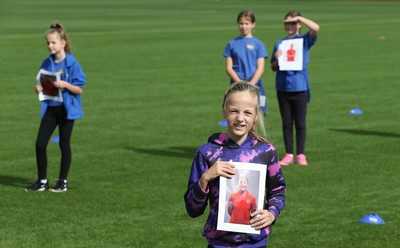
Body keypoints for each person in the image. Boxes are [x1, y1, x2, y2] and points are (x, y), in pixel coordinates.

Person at [184, 82, 286, 247]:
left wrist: (272, 213)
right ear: (224, 111)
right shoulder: (207, 153)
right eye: (234, 111)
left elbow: (278, 190)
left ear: (256, 116)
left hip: (256, 243)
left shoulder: (266, 151)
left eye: (247, 112)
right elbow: (192, 209)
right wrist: (204, 179)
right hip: (219, 244)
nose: (240, 118)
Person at [25, 22, 86, 192]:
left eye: (53, 42)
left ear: (63, 43)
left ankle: (62, 182)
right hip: (51, 109)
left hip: (67, 110)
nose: (50, 46)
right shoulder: (47, 62)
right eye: (48, 43)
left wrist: (66, 84)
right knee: (40, 144)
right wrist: (38, 88)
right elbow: (42, 83)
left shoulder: (73, 64)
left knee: (64, 145)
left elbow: (79, 89)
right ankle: (42, 181)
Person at [270, 11, 320, 166]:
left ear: (298, 24)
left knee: (300, 122)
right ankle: (289, 153)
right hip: (283, 87)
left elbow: (316, 28)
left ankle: (301, 154)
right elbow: (272, 67)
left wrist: (299, 18)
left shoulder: (304, 40)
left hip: (300, 87)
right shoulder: (280, 43)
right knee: (286, 122)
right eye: (287, 23)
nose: (290, 26)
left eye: (293, 23)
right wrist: (277, 59)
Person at [223, 10, 268, 116]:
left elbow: (260, 68)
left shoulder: (259, 44)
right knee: (236, 115)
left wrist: (251, 84)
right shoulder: (232, 44)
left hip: (255, 85)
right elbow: (229, 68)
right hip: (236, 85)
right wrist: (240, 83)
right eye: (241, 23)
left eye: (247, 23)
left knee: (257, 115)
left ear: (253, 24)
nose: (244, 26)